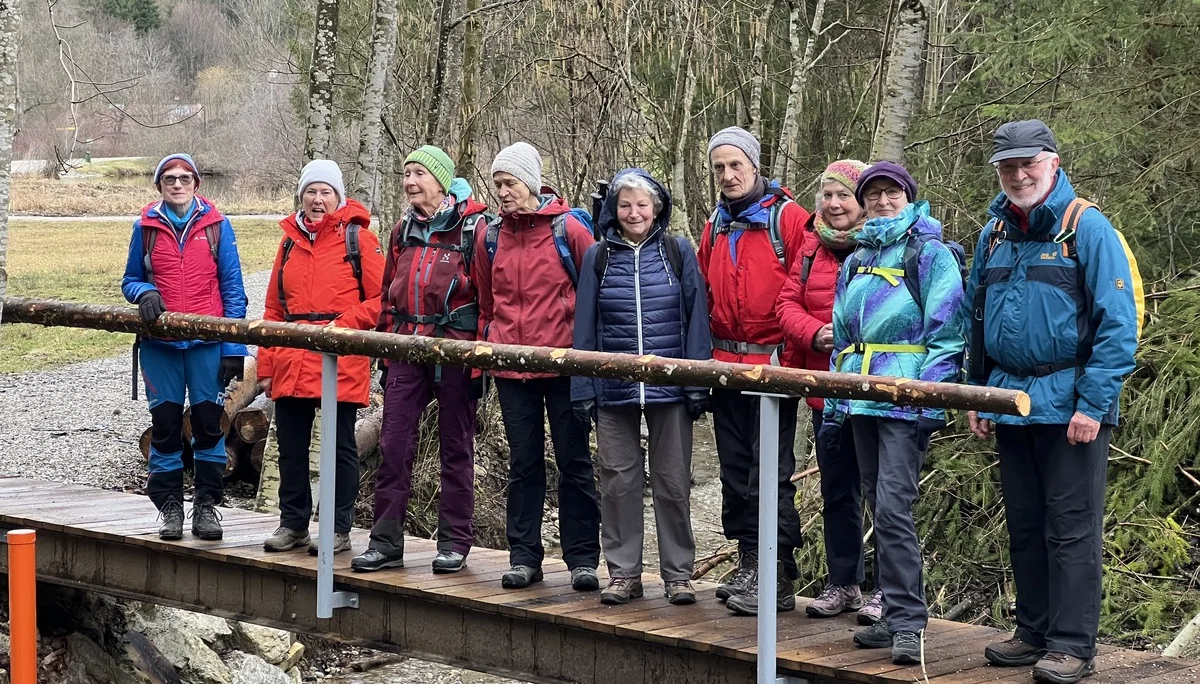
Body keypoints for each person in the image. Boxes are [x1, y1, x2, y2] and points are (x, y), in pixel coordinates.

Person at [967, 121, 1143, 684]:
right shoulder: (994, 233)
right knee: (1024, 523)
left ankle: (1073, 644)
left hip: (1071, 404)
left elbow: (1118, 328)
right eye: (1007, 166)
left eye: (1028, 164)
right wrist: (977, 392)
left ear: (1053, 163)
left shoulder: (1086, 228)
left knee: (1071, 528)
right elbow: (975, 318)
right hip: (1009, 398)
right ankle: (1034, 631)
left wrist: (1093, 404)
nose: (1018, 175)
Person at [823, 161, 964, 664]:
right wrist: (838, 395)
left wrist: (927, 397)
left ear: (909, 196)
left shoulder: (930, 253)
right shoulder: (857, 256)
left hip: (904, 399)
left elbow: (948, 335)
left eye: (892, 193)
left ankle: (908, 621)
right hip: (860, 394)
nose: (883, 201)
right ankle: (892, 615)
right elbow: (843, 335)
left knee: (892, 508)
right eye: (874, 193)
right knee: (872, 502)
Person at [571, 168, 712, 606]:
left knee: (672, 481)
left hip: (670, 386)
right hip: (613, 388)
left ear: (657, 209)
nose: (634, 213)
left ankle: (678, 575)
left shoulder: (677, 251)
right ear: (614, 209)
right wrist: (583, 388)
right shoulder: (598, 256)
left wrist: (695, 382)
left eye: (642, 204)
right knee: (617, 481)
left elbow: (696, 317)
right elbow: (585, 327)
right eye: (625, 205)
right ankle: (624, 573)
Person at [352, 146, 490, 574]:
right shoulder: (403, 230)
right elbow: (389, 294)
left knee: (455, 447)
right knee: (393, 445)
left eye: (419, 174)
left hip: (454, 349)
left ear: (441, 180)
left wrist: (478, 360)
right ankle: (385, 541)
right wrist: (386, 351)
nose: (410, 181)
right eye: (406, 173)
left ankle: (454, 542)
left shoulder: (474, 229)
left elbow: (487, 301)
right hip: (405, 350)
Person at [472, 142, 601, 591]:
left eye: (509, 184)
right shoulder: (489, 236)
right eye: (498, 185)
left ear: (529, 183)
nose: (502, 193)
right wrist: (489, 349)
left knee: (575, 461)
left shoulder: (568, 230)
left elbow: (593, 294)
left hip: (565, 365)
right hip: (512, 367)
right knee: (524, 464)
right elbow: (487, 303)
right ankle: (524, 556)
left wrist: (589, 361)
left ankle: (582, 558)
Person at [697, 126, 810, 616]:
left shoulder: (789, 219)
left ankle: (777, 572)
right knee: (733, 471)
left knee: (771, 473)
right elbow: (701, 293)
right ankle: (748, 560)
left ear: (755, 165)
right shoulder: (714, 225)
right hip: (725, 366)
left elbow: (807, 288)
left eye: (735, 165)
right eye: (719, 167)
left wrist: (792, 355)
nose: (727, 175)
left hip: (772, 366)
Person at [259, 159, 385, 557]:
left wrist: (343, 325)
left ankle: (337, 527)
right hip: (292, 356)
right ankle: (293, 523)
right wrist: (266, 364)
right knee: (291, 447)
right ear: (301, 195)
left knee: (339, 447)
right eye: (311, 191)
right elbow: (273, 308)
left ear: (338, 196)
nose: (317, 199)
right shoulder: (289, 240)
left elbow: (382, 300)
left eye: (325, 192)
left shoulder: (359, 240)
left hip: (339, 358)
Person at [122, 153, 249, 542]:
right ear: (159, 185)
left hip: (206, 344)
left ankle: (208, 505)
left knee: (209, 427)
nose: (177, 184)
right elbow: (129, 280)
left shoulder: (217, 227)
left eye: (184, 178)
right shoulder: (145, 228)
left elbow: (233, 290)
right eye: (169, 179)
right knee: (165, 428)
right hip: (160, 346)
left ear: (197, 184)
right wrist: (144, 291)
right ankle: (170, 507)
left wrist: (233, 348)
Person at [776, 159, 878, 622]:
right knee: (838, 489)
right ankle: (845, 583)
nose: (834, 204)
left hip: (877, 390)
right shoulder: (811, 247)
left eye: (844, 195)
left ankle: (889, 590)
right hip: (825, 389)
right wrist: (815, 334)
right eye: (828, 195)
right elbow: (786, 302)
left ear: (862, 202)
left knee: (885, 494)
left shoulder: (886, 244)